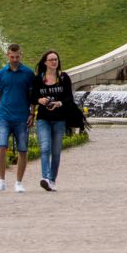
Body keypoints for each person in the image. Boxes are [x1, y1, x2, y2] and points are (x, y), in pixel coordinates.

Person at [31, 49, 83, 191]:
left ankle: (52, 180)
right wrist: (39, 100)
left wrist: (59, 103)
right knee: (45, 148)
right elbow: (32, 96)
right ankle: (46, 177)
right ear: (45, 62)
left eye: (56, 59)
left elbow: (69, 98)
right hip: (43, 118)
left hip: (59, 119)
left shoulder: (63, 77)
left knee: (56, 151)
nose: (54, 62)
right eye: (51, 60)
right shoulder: (38, 79)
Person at [0, 44, 37, 192]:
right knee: (1, 146)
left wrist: (32, 113)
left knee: (23, 150)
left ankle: (18, 182)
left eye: (17, 57)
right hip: (4, 115)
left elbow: (32, 96)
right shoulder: (1, 73)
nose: (14, 59)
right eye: (12, 57)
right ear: (7, 56)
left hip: (22, 116)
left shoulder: (28, 73)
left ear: (20, 55)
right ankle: (1, 180)